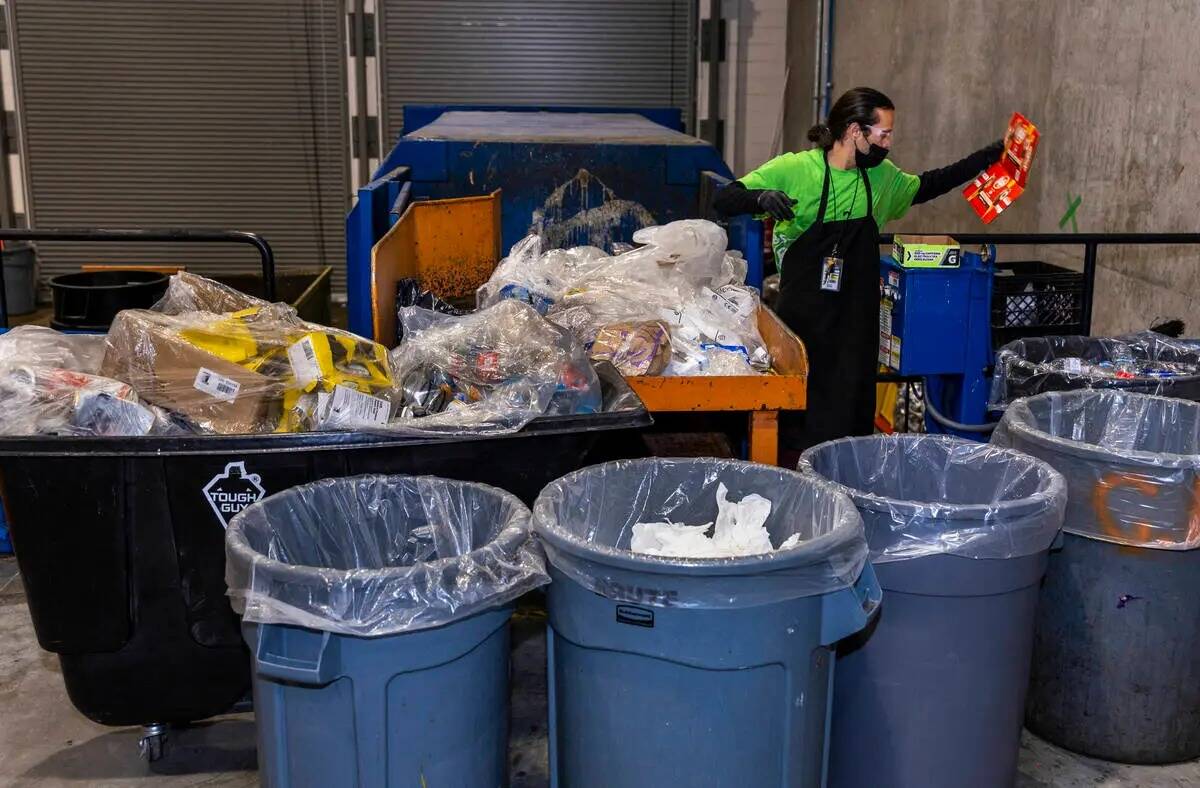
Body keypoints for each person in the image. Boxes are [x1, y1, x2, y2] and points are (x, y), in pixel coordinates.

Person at [712, 86, 1002, 452]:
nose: (888, 143)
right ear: (854, 131)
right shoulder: (797, 169)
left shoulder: (881, 178)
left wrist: (988, 157)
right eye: (883, 134)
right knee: (800, 413)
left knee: (851, 409)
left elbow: (930, 184)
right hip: (804, 323)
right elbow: (724, 199)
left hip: (856, 326)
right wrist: (760, 197)